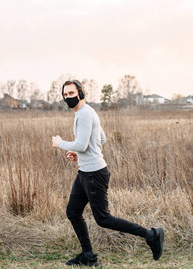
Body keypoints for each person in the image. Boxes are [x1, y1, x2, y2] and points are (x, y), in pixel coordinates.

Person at [52, 80, 164, 267]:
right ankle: (88, 255)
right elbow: (100, 138)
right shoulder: (83, 112)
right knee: (73, 212)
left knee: (104, 219)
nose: (67, 97)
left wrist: (61, 143)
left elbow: (82, 144)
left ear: (81, 93)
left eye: (71, 93)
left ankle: (151, 235)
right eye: (65, 95)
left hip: (95, 174)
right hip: (85, 173)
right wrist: (79, 154)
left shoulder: (85, 113)